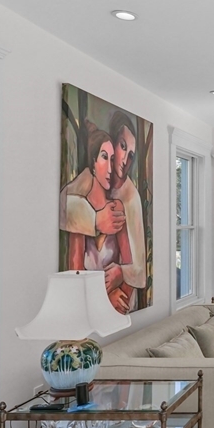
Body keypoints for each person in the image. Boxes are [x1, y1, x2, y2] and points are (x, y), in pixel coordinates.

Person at [60, 112, 147, 312]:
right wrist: (95, 220)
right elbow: (63, 204)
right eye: (122, 147)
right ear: (93, 164)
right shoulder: (83, 196)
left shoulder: (127, 201)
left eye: (131, 155)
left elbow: (138, 269)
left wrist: (121, 275)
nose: (124, 160)